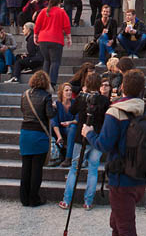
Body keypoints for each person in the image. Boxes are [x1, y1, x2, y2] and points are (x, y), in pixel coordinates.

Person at [82, 69, 146, 236]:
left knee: (125, 226)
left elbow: (104, 145)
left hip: (121, 177)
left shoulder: (116, 112)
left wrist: (89, 133)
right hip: (142, 174)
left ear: (122, 87)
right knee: (117, 222)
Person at [59, 72, 111, 211]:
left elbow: (72, 111)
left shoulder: (82, 98)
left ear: (86, 84)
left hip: (81, 137)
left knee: (74, 169)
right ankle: (88, 202)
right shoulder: (104, 101)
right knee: (93, 170)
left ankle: (67, 200)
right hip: (97, 137)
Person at [20, 70, 57, 207]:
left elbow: (22, 110)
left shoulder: (25, 94)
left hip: (25, 133)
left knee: (26, 167)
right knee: (36, 168)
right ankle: (34, 198)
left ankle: (24, 198)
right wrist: (54, 108)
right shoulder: (46, 96)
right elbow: (50, 114)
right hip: (39, 134)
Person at [34, 0, 72, 87]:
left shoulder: (44, 11)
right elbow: (67, 26)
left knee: (46, 61)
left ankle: (44, 82)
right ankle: (52, 82)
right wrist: (69, 38)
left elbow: (37, 25)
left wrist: (35, 36)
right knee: (55, 62)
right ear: (59, 3)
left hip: (43, 39)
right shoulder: (61, 12)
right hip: (56, 40)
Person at [52, 82, 78, 167]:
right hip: (59, 130)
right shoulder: (57, 104)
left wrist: (70, 122)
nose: (69, 92)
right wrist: (59, 136)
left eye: (70, 90)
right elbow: (54, 122)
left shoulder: (75, 103)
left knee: (73, 127)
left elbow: (78, 119)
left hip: (72, 129)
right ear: (61, 93)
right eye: (66, 90)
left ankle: (68, 158)